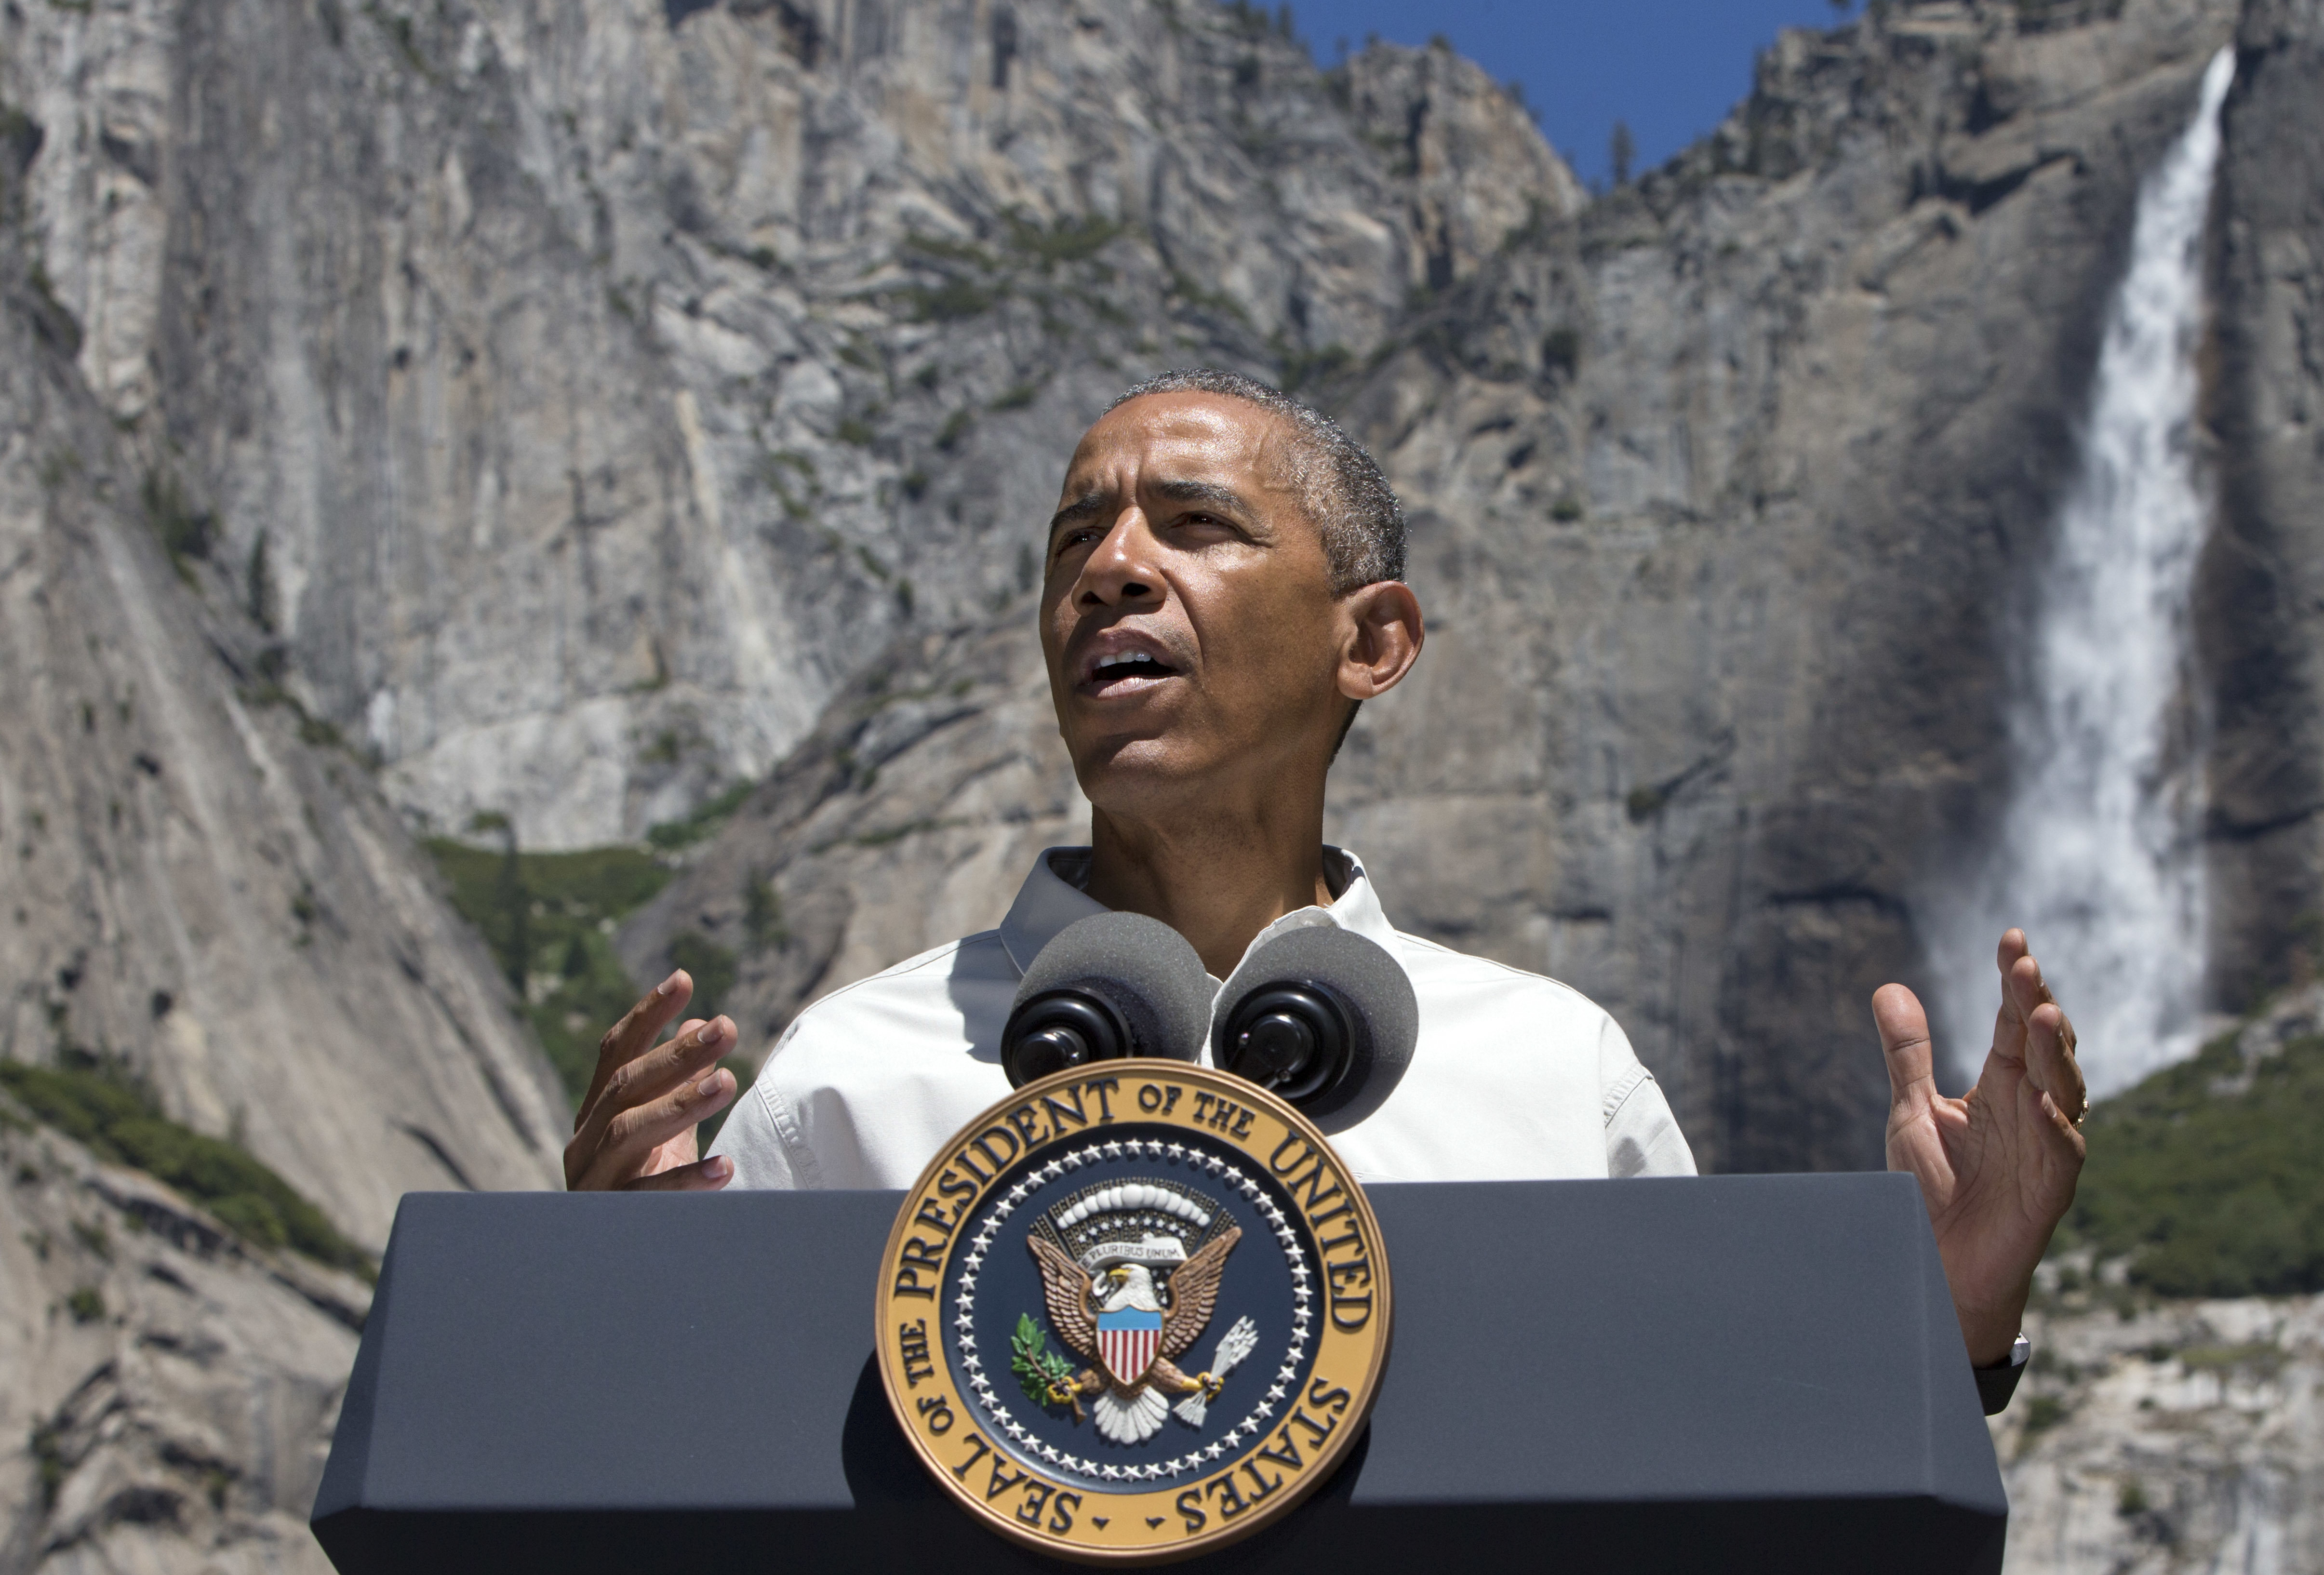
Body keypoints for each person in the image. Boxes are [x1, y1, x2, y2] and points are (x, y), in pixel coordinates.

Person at [562, 368, 2089, 1394]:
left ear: (1373, 643)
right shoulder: (847, 1076)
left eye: (1198, 525)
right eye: (1076, 537)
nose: (1112, 566)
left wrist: (1949, 1331)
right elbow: (675, 1524)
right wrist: (608, 1315)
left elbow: (1700, 1506)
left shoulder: (1556, 1076)